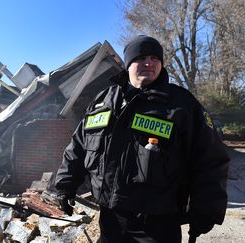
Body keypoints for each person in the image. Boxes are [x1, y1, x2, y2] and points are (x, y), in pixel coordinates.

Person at [54, 35, 229, 243]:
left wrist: (206, 208)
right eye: (142, 58)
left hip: (157, 225)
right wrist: (65, 185)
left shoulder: (181, 105)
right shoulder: (103, 101)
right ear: (128, 64)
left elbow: (211, 159)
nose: (149, 63)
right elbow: (78, 147)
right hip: (110, 221)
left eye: (155, 58)